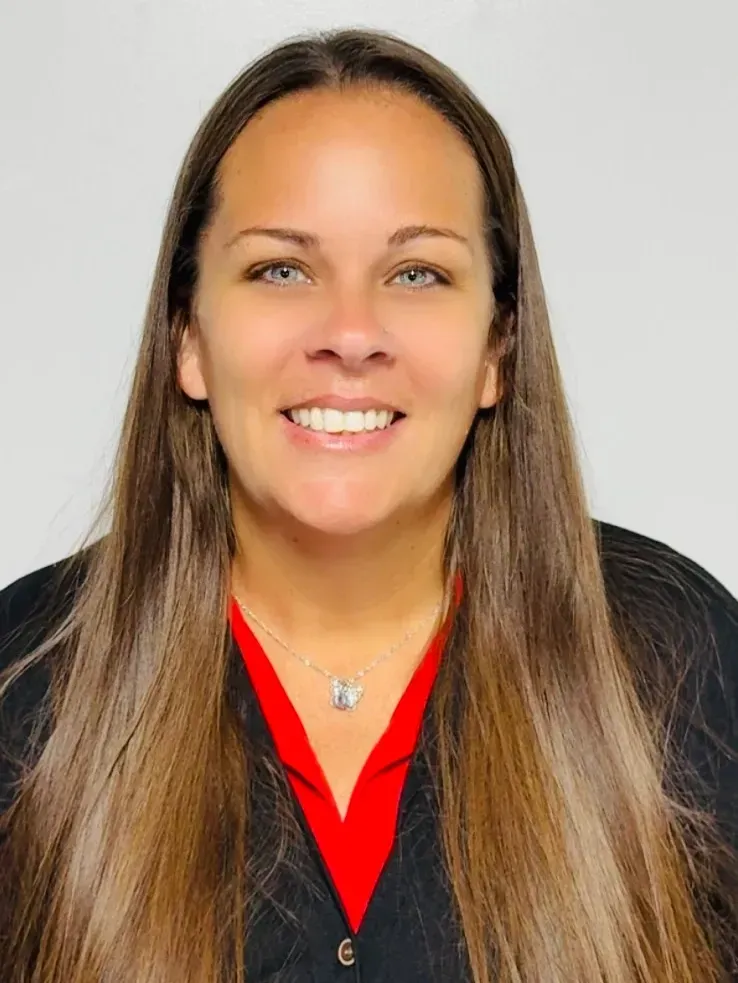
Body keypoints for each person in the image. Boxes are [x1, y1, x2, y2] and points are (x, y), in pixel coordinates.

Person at [0, 25, 736, 983]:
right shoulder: (24, 682)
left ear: (495, 351)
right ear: (187, 337)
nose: (350, 334)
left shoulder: (681, 656)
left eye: (417, 272)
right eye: (281, 269)